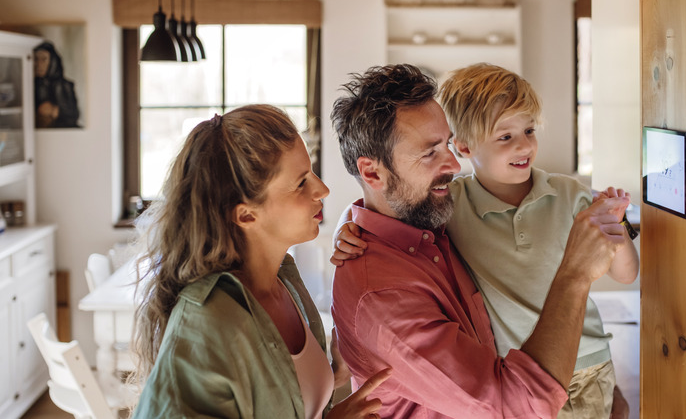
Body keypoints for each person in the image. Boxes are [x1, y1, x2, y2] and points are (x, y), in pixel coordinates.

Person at [333, 63, 639, 418]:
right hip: (527, 382)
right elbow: (514, 404)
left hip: (584, 367)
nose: (451, 164)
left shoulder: (430, 215)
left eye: (445, 144)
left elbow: (379, 208)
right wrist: (575, 274)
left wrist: (352, 220)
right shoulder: (390, 285)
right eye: (430, 152)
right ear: (372, 172)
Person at [131, 104, 390, 418]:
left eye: (312, 173)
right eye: (300, 183)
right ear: (246, 214)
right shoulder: (205, 324)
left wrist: (334, 375)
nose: (322, 190)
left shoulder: (284, 283)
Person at [33, 41, 80, 128]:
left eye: (44, 59)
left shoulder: (64, 85)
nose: (38, 64)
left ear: (52, 62)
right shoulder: (31, 84)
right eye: (36, 59)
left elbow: (74, 115)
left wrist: (55, 110)